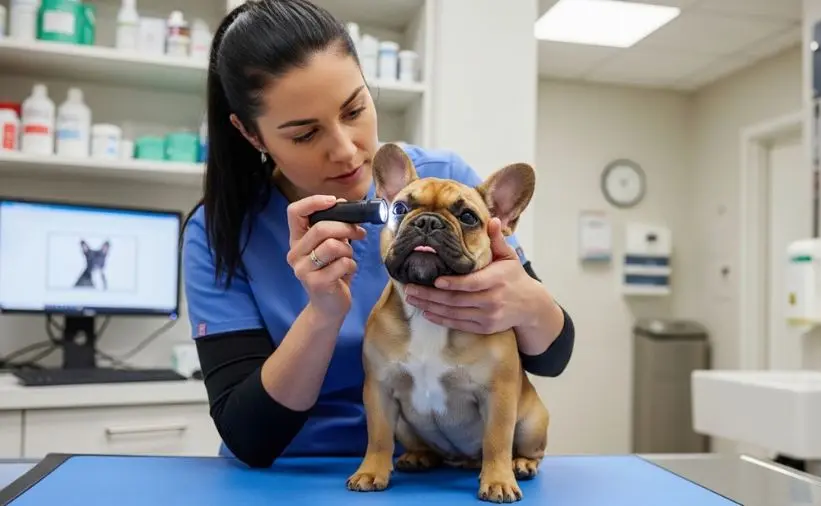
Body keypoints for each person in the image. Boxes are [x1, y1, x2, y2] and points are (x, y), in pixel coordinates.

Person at [181, 0, 576, 469]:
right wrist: (322, 315)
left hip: (426, 470)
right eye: (305, 134)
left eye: (354, 109)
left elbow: (550, 358)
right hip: (292, 471)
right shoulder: (219, 232)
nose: (346, 150)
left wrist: (525, 301)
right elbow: (250, 436)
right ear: (251, 134)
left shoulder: (443, 180)